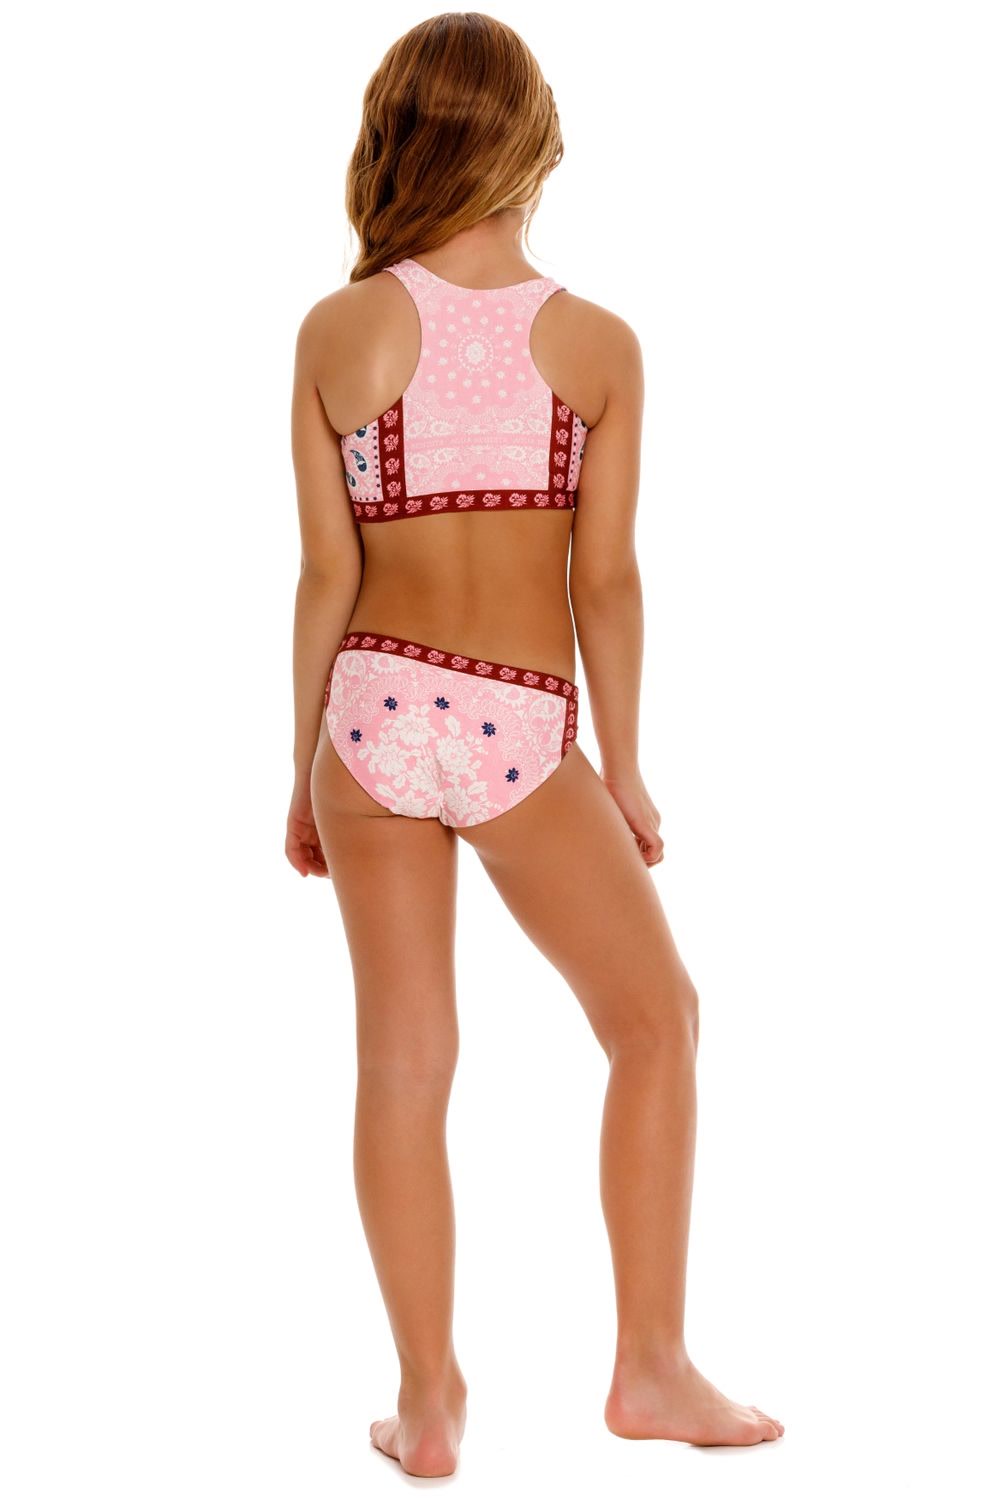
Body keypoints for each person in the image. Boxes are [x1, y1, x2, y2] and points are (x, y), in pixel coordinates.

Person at [286, 12, 783, 1478]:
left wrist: (300, 763)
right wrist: (620, 767)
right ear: (536, 143)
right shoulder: (593, 344)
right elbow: (604, 582)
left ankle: (429, 1401)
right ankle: (651, 1366)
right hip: (513, 719)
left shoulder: (338, 331)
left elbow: (325, 574)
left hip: (370, 712)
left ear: (393, 140)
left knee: (405, 1060)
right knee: (655, 1020)